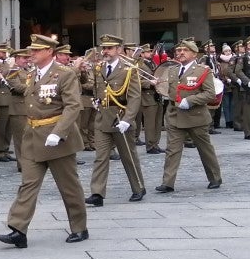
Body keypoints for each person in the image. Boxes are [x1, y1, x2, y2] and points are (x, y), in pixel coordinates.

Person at [0, 34, 88, 248]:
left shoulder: (64, 74)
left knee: (69, 186)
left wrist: (59, 132)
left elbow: (73, 106)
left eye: (37, 50)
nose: (32, 54)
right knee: (28, 184)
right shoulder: (32, 75)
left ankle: (79, 227)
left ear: (49, 52)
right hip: (33, 136)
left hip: (57, 138)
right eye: (31, 50)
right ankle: (18, 228)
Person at [156, 39, 223, 194]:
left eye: (184, 50)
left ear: (194, 53)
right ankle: (168, 182)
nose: (180, 53)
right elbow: (171, 90)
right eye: (178, 51)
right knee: (172, 150)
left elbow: (210, 94)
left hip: (196, 116)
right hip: (175, 115)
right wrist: (159, 85)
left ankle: (215, 177)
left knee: (205, 149)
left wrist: (190, 100)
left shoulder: (202, 70)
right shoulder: (172, 70)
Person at [85, 34, 145, 207]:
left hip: (120, 117)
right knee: (100, 157)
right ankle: (97, 193)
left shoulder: (128, 69)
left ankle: (138, 187)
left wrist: (128, 119)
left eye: (109, 48)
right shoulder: (99, 69)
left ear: (119, 50)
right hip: (103, 118)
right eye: (104, 48)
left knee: (128, 156)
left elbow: (134, 97)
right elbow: (98, 90)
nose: (105, 51)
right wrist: (96, 101)